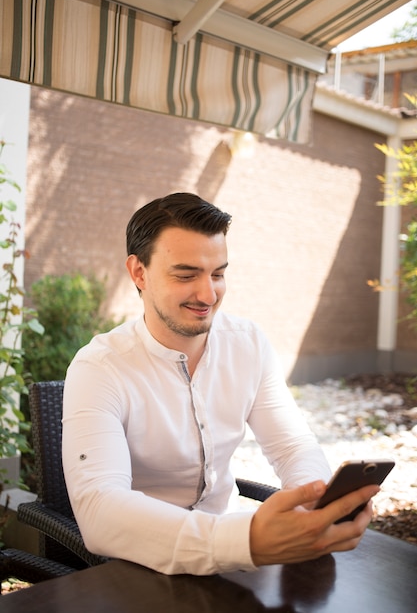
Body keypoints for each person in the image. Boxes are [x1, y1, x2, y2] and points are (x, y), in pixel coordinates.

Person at [62, 192, 379, 576]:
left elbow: (292, 445)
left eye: (218, 274)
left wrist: (314, 506)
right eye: (186, 275)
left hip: (235, 556)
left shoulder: (248, 343)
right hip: (141, 560)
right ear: (139, 273)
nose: (208, 294)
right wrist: (243, 541)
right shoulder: (98, 368)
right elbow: (101, 510)